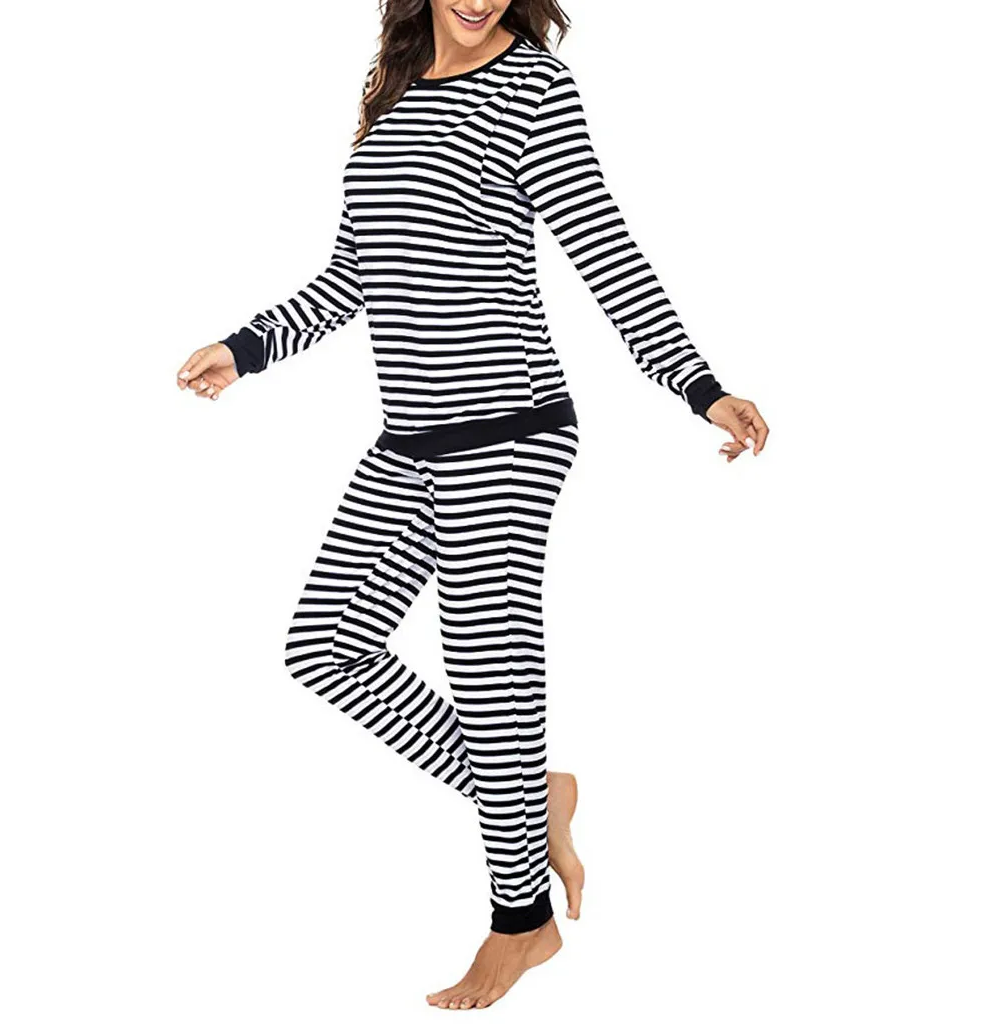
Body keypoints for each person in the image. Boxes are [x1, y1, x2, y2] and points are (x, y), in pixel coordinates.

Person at [175, 0, 769, 1010]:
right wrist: (248, 346)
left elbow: (604, 248)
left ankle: (521, 924)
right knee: (324, 647)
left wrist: (698, 385)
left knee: (489, 676)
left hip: (509, 428)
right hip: (411, 437)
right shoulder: (395, 90)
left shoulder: (532, 83)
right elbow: (356, 274)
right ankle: (536, 796)